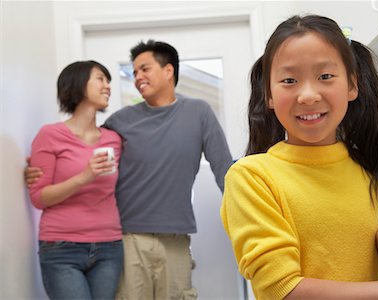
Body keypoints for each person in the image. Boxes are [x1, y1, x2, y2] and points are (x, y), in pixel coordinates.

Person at [220, 15, 378, 300]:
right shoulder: (251, 177)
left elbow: (371, 279)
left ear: (351, 86)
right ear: (269, 95)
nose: (308, 95)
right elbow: (281, 290)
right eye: (289, 80)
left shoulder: (370, 174)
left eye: (324, 76)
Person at [27, 40, 233, 299]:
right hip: (127, 238)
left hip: (175, 237)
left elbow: (224, 169)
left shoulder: (199, 112)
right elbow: (80, 152)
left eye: (144, 69)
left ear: (168, 71)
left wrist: (247, 218)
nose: (137, 77)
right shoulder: (120, 122)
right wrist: (35, 167)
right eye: (134, 72)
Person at [28, 60, 123, 300]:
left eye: (108, 81)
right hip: (61, 248)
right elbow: (39, 197)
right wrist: (84, 177)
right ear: (79, 84)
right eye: (100, 78)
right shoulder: (50, 135)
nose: (108, 86)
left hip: (109, 247)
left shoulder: (114, 139)